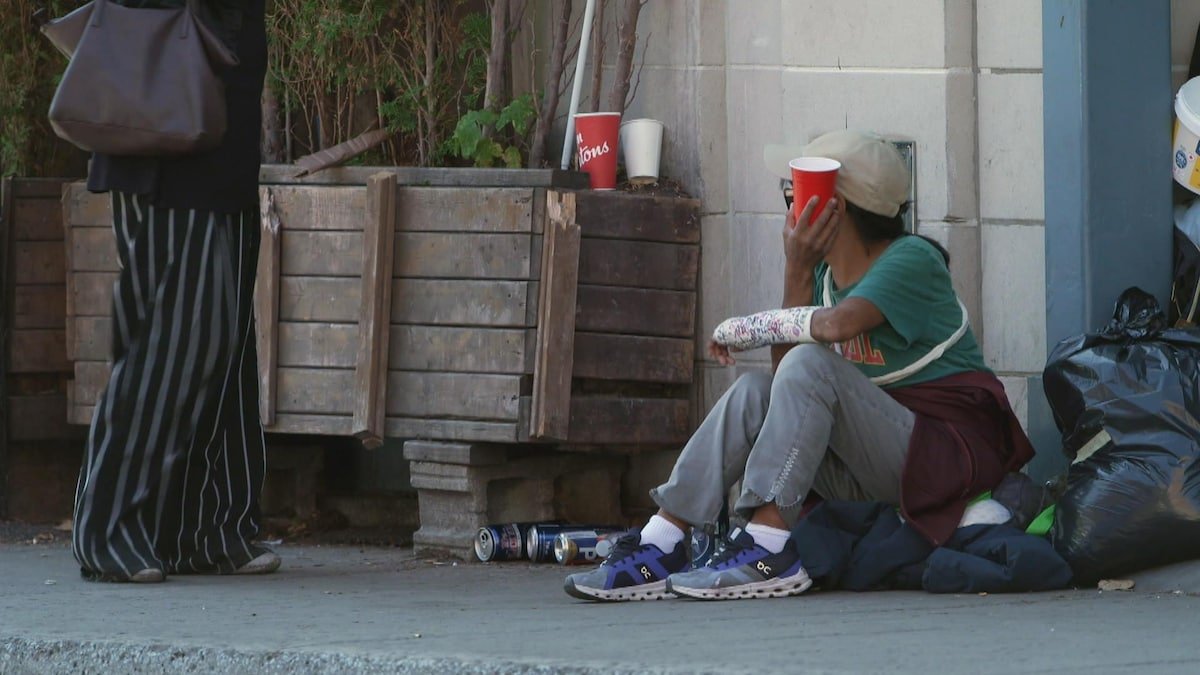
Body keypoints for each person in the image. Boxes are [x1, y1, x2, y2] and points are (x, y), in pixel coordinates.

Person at [564, 130, 1034, 601]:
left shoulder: (912, 258)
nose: (789, 205)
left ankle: (768, 549)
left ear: (834, 206)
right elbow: (788, 380)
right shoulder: (825, 275)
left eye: (795, 192)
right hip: (877, 463)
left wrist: (749, 325)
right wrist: (798, 270)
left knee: (812, 362)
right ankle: (662, 542)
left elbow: (833, 328)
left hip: (942, 458)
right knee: (754, 391)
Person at [71, 0, 278, 582]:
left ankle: (203, 528)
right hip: (162, 127)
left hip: (223, 123)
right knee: (175, 331)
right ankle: (106, 530)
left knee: (227, 334)